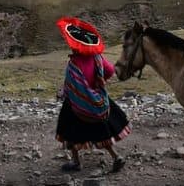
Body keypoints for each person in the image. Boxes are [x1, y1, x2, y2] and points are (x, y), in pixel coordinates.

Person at [55, 17, 130, 173]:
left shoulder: (74, 64)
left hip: (76, 105)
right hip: (97, 101)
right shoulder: (97, 57)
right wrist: (98, 83)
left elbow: (70, 87)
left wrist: (63, 92)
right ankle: (116, 157)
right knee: (101, 131)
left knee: (69, 131)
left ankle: (76, 162)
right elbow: (110, 71)